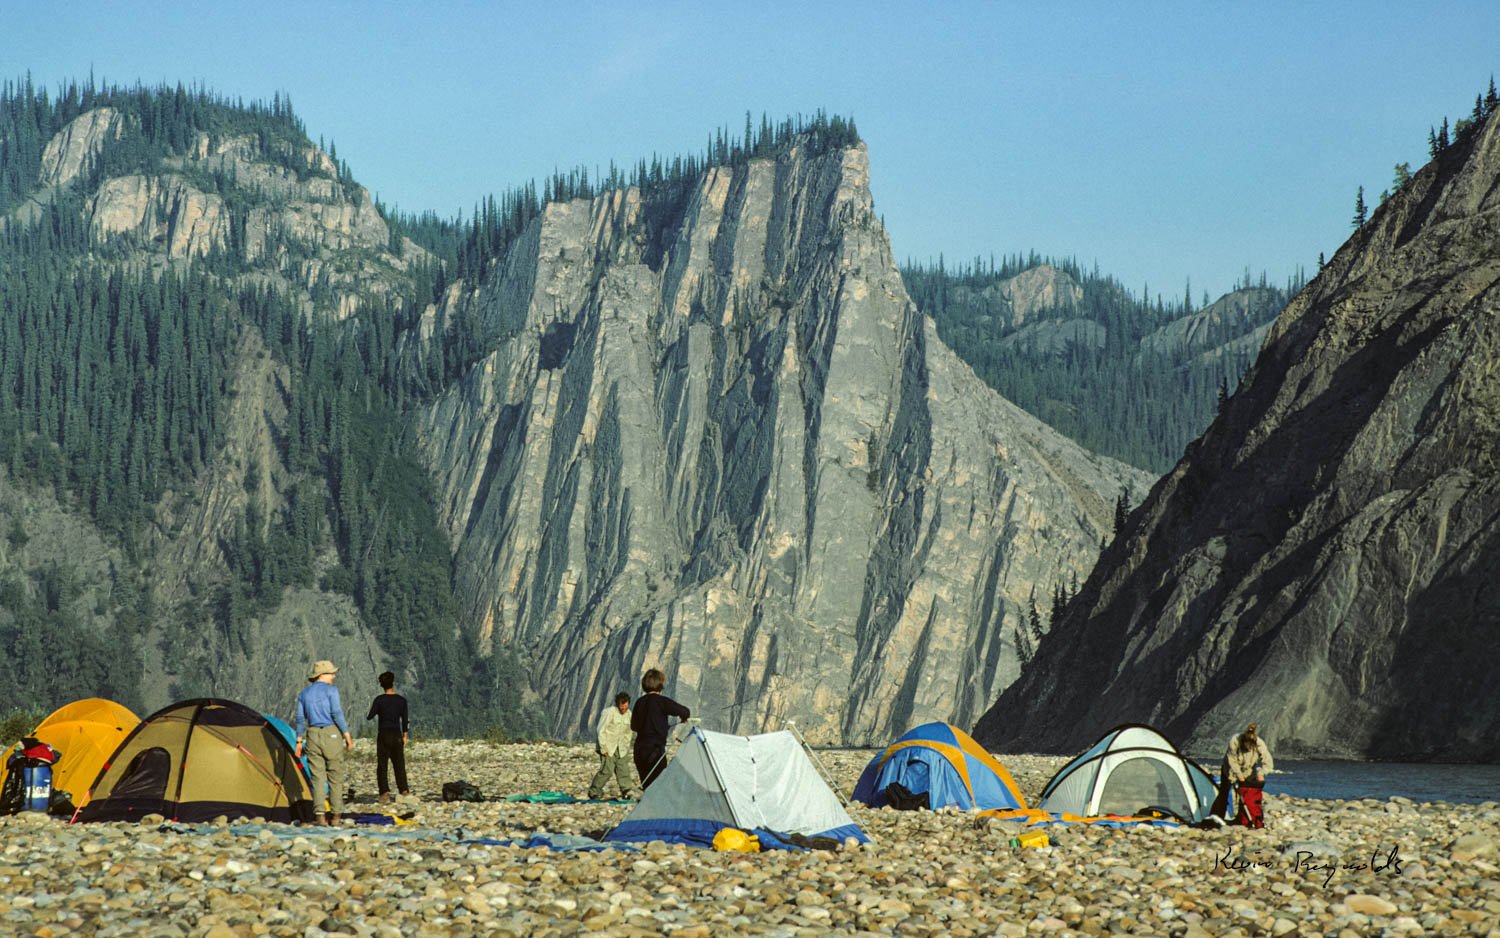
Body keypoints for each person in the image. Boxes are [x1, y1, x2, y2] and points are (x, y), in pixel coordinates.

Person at [296, 659, 354, 824]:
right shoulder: (332, 691)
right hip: (331, 733)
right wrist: (347, 735)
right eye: (331, 673)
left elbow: (300, 719)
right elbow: (336, 713)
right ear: (322, 675)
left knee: (318, 777)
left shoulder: (304, 694)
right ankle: (336, 815)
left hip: (312, 734)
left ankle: (320, 815)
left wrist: (299, 741)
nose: (334, 676)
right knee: (335, 775)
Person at [630, 668, 690, 790]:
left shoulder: (639, 702)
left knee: (647, 786)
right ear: (660, 685)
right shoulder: (662, 701)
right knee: (659, 786)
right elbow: (684, 711)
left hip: (639, 749)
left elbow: (633, 726)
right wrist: (683, 717)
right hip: (655, 749)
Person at [1211, 722, 1274, 826]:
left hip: (1249, 769)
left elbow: (1268, 762)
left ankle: (1243, 819)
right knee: (1224, 793)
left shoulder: (1259, 744)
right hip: (1230, 769)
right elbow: (1232, 760)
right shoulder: (1234, 741)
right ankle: (1217, 818)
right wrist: (1238, 775)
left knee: (1247, 794)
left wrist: (1261, 773)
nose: (1247, 750)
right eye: (1245, 748)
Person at [366, 671, 410, 804]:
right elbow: (405, 719)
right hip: (397, 733)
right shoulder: (401, 700)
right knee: (399, 763)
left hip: (384, 733)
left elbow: (370, 716)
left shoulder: (379, 700)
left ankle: (384, 792)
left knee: (382, 764)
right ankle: (404, 790)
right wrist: (405, 735)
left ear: (381, 685)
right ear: (393, 683)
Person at [587, 692, 637, 800]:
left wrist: (627, 744)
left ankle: (626, 790)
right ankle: (594, 791)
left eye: (625, 704)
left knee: (623, 769)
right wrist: (603, 747)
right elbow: (601, 729)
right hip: (608, 747)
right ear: (617, 703)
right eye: (621, 704)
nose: (623, 707)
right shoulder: (609, 712)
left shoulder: (629, 715)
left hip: (621, 747)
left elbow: (629, 732)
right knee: (606, 770)